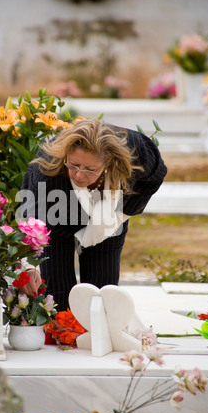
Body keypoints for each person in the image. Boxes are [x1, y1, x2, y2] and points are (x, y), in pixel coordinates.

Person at [19, 119, 167, 311]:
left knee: (103, 295)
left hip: (108, 217)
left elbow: (156, 176)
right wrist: (29, 266)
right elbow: (33, 220)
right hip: (57, 218)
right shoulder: (47, 168)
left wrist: (119, 216)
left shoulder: (137, 153)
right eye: (74, 165)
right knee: (58, 297)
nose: (80, 175)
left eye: (90, 169)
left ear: (109, 162)